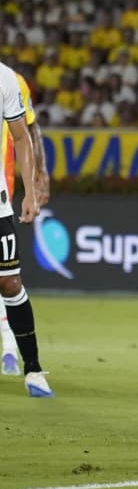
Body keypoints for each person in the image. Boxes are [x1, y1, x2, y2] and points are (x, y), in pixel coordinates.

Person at [0, 60, 52, 397]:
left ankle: (33, 369)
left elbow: (22, 135)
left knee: (9, 281)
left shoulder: (5, 78)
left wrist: (31, 192)